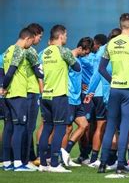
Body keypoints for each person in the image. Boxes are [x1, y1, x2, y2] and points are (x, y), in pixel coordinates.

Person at [97, 13, 129, 175]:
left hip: (115, 89)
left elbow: (101, 69)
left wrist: (112, 80)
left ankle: (103, 163)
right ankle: (120, 164)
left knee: (110, 126)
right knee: (125, 127)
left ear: (120, 25)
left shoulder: (111, 44)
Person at [39, 25, 81, 173]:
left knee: (47, 127)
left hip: (45, 95)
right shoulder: (64, 51)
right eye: (66, 35)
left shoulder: (44, 53)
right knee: (60, 128)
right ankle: (55, 164)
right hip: (59, 95)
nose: (67, 38)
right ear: (61, 36)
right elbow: (77, 67)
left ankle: (43, 163)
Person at [2, 28, 42, 171]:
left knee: (9, 128)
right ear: (27, 39)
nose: (31, 45)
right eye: (31, 41)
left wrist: (4, 88)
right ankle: (19, 163)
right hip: (18, 94)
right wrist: (3, 86)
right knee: (19, 128)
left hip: (9, 95)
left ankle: (7, 162)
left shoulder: (8, 50)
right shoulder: (19, 50)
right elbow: (11, 72)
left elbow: (5, 71)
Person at [60, 37, 93, 167]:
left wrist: (81, 85)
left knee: (84, 125)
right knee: (67, 128)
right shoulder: (69, 59)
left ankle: (66, 152)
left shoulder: (78, 60)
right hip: (69, 98)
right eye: (86, 51)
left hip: (77, 99)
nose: (87, 54)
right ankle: (61, 158)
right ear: (80, 48)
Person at [80, 33, 109, 166]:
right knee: (101, 126)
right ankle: (93, 157)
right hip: (101, 93)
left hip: (92, 93)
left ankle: (88, 155)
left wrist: (89, 90)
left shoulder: (94, 55)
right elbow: (99, 72)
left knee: (93, 125)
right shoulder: (105, 52)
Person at [23, 23, 44, 169]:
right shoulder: (30, 51)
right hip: (30, 92)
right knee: (28, 127)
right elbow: (39, 75)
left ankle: (25, 157)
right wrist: (43, 92)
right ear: (34, 35)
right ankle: (26, 159)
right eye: (39, 37)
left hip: (21, 92)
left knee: (20, 127)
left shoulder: (15, 50)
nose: (39, 40)